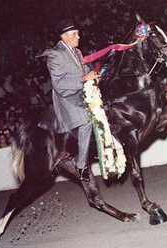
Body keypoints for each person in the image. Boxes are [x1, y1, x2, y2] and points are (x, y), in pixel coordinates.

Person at [46, 19, 99, 181]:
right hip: (67, 98)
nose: (79, 37)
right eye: (75, 34)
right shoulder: (55, 55)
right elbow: (59, 84)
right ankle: (81, 165)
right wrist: (84, 79)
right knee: (86, 121)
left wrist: (95, 74)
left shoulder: (77, 52)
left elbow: (85, 70)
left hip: (82, 93)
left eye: (77, 33)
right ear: (64, 36)